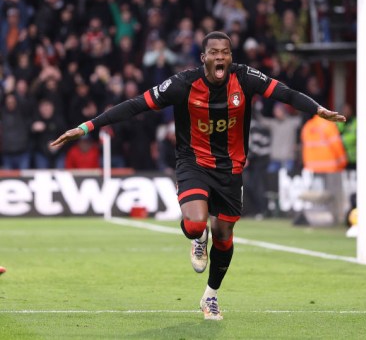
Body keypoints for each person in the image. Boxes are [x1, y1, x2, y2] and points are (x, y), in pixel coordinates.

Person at [50, 31, 345, 320]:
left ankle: (211, 295)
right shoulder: (182, 84)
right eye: (214, 53)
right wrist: (87, 127)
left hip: (231, 168)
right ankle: (197, 237)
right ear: (203, 58)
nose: (221, 57)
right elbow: (136, 105)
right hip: (194, 162)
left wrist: (317, 109)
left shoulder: (245, 78)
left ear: (231, 57)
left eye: (225, 52)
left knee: (224, 236)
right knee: (194, 225)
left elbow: (286, 93)